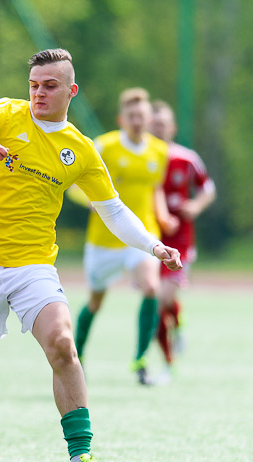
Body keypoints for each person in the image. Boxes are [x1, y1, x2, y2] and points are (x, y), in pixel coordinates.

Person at [0, 49, 182, 462]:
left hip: (34, 265)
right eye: (34, 85)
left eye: (50, 85)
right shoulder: (5, 114)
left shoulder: (80, 149)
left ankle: (82, 459)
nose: (38, 93)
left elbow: (114, 211)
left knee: (62, 344)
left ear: (71, 90)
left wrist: (154, 247)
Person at [72, 87, 177, 385]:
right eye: (131, 116)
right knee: (95, 302)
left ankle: (140, 360)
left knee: (151, 287)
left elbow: (154, 189)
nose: (137, 121)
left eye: (142, 116)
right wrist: (90, 201)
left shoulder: (160, 150)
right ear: (121, 119)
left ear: (149, 119)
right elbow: (74, 185)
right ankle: (77, 357)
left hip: (143, 234)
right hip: (104, 240)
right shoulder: (103, 146)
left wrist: (162, 215)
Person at [149, 100, 216, 379]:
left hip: (180, 238)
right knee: (155, 302)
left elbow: (208, 188)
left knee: (163, 297)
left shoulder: (186, 158)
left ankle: (176, 332)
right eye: (154, 124)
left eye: (162, 124)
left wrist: (196, 206)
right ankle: (167, 361)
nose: (158, 128)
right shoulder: (142, 157)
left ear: (172, 127)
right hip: (149, 237)